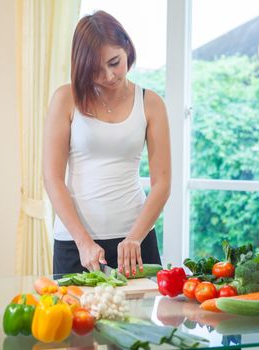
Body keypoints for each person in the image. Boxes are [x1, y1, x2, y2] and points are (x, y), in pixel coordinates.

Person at [43, 10, 171, 278]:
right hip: (75, 244)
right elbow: (52, 178)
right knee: (75, 320)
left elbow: (162, 182)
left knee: (140, 320)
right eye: (95, 70)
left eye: (114, 62)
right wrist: (83, 241)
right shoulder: (65, 99)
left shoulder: (151, 103)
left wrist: (135, 237)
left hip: (135, 244)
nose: (109, 76)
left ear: (127, 47)